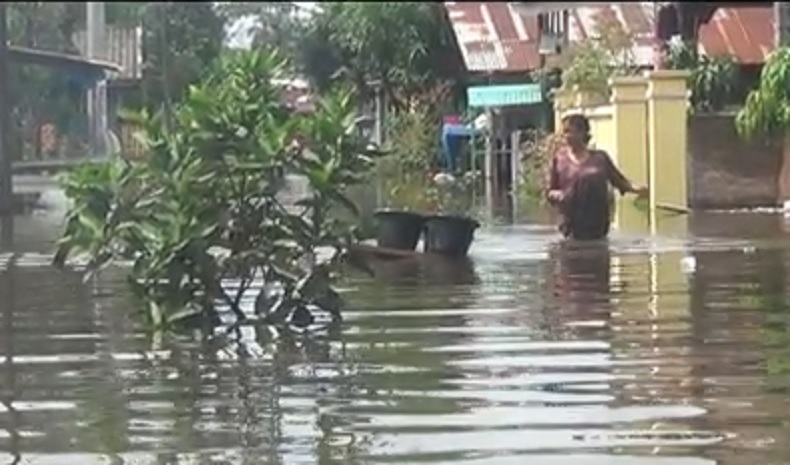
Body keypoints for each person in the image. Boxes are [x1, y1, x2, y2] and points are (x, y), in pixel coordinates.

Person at [545, 113, 648, 240]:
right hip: (570, 226)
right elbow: (549, 191)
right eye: (564, 132)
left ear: (582, 133)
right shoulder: (559, 159)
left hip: (598, 225)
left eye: (569, 131)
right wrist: (560, 195)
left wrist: (638, 189)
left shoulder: (600, 158)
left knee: (599, 254)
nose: (565, 136)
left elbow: (620, 181)